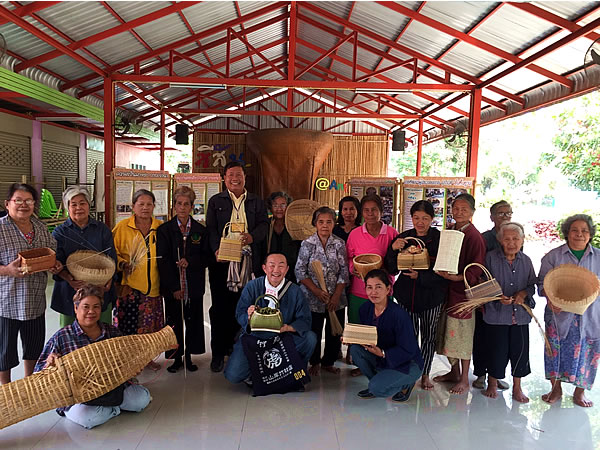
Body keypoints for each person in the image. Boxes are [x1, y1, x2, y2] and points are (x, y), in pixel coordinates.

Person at [35, 285, 151, 429]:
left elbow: (128, 358)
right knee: (89, 419)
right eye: (86, 307)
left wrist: (134, 365)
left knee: (141, 400)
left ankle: (108, 409)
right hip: (81, 398)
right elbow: (38, 371)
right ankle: (112, 409)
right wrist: (50, 364)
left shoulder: (111, 332)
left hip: (111, 388)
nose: (91, 311)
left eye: (96, 306)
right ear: (76, 308)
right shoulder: (62, 336)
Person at [206, 161, 269, 372]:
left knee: (245, 307)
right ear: (224, 178)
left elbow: (264, 226)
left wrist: (252, 237)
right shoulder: (216, 201)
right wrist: (216, 250)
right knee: (220, 308)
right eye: (231, 175)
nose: (235, 178)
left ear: (245, 178)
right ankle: (218, 353)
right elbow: (212, 229)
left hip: (249, 262)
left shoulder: (256, 202)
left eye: (239, 175)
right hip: (222, 263)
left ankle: (238, 349)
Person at [0, 183, 61, 385]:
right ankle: (5, 389)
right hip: (6, 302)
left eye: (28, 201)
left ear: (34, 204)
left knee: (34, 347)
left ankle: (28, 383)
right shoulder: (1, 228)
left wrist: (54, 265)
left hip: (35, 300)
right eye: (18, 200)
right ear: (7, 203)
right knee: (4, 350)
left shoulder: (41, 229)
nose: (23, 205)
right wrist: (7, 270)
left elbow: (51, 254)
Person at [224, 253, 316, 385]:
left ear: (287, 269)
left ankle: (294, 371)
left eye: (281, 266)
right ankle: (258, 375)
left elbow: (305, 319)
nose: (276, 270)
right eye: (272, 266)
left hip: (282, 338)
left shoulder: (295, 291)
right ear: (264, 268)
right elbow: (240, 313)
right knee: (234, 375)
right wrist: (249, 316)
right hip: (255, 338)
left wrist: (288, 328)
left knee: (310, 338)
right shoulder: (253, 286)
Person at [384, 200, 447, 390]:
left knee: (428, 337)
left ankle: (425, 373)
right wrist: (393, 249)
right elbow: (391, 268)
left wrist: (421, 276)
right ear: (411, 218)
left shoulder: (439, 239)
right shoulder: (404, 238)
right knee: (407, 337)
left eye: (425, 218)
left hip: (431, 297)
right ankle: (409, 373)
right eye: (416, 218)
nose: (420, 222)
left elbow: (444, 271)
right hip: (405, 297)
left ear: (432, 219)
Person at [539, 214, 600, 408]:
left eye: (584, 231)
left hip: (590, 316)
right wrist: (549, 298)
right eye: (575, 230)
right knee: (555, 352)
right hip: (559, 316)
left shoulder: (598, 257)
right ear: (567, 233)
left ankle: (579, 392)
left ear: (590, 234)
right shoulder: (553, 256)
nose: (579, 234)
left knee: (587, 352)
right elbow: (541, 284)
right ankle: (555, 389)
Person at [434, 193, 485, 394]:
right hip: (447, 292)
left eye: (464, 209)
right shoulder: (450, 231)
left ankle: (464, 378)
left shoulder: (475, 236)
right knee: (448, 335)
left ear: (472, 212)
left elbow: (477, 268)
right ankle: (453, 372)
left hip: (463, 296)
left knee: (463, 338)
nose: (459, 212)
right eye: (456, 208)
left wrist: (456, 279)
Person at [348, 269, 423, 402]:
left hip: (407, 363)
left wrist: (383, 353)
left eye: (378, 287)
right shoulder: (365, 309)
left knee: (378, 389)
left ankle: (406, 384)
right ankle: (379, 381)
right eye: (369, 287)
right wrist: (351, 338)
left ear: (388, 289)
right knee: (355, 349)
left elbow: (409, 350)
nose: (373, 292)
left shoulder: (399, 314)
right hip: (382, 357)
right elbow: (367, 335)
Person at [157, 186, 210, 373]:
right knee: (174, 322)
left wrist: (191, 261)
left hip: (193, 285)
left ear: (192, 207)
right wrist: (173, 287)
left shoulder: (200, 230)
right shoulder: (165, 230)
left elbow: (207, 257)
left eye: (186, 204)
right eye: (179, 203)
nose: (182, 207)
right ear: (174, 206)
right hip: (174, 286)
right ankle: (176, 358)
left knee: (193, 321)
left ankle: (190, 355)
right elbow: (162, 261)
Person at [482, 222, 536, 403]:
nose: (511, 243)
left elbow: (531, 285)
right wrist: (497, 297)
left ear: (522, 240)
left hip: (520, 317)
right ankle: (492, 383)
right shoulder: (490, 258)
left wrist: (523, 293)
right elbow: (482, 283)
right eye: (507, 239)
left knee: (519, 352)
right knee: (496, 351)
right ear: (500, 241)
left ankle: (517, 387)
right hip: (496, 315)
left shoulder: (526, 260)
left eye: (515, 239)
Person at [112, 189, 163, 371]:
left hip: (154, 287)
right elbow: (113, 253)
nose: (145, 208)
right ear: (133, 206)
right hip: (130, 287)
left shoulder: (160, 227)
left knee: (148, 328)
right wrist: (123, 264)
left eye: (149, 204)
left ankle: (147, 359)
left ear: (154, 206)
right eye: (141, 204)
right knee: (129, 327)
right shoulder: (123, 227)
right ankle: (128, 362)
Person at [52, 186, 117, 327]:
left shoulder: (102, 229)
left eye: (82, 203)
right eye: (73, 204)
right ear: (67, 207)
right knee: (70, 337)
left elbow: (112, 257)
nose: (78, 208)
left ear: (89, 205)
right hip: (70, 292)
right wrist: (68, 278)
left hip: (100, 290)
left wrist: (109, 280)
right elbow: (56, 262)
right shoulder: (60, 232)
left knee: (102, 336)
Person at [295, 207, 348, 376]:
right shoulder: (307, 244)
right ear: (315, 224)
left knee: (334, 332)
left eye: (329, 222)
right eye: (321, 222)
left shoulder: (339, 243)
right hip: (313, 298)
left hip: (335, 298)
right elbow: (300, 271)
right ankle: (315, 362)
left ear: (334, 223)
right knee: (314, 330)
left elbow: (344, 271)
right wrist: (317, 291)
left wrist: (337, 295)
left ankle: (328, 362)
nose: (325, 225)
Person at [473, 200, 513, 390]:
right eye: (501, 214)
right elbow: (478, 267)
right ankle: (480, 373)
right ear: (492, 217)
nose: (505, 217)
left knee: (501, 339)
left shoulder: (515, 234)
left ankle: (496, 374)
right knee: (482, 335)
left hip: (507, 296)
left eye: (508, 213)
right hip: (486, 295)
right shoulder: (485, 238)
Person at [346, 194, 398, 324]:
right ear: (361, 212)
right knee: (357, 331)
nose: (370, 214)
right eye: (366, 210)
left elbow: (397, 260)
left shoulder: (392, 233)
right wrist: (354, 269)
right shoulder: (355, 234)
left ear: (381, 211)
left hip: (384, 291)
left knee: (383, 332)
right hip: (359, 290)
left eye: (374, 210)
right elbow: (348, 257)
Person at [259, 191, 299, 283]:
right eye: (275, 205)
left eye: (283, 205)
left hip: (291, 272)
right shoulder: (265, 225)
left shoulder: (295, 226)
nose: (279, 209)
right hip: (270, 272)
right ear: (270, 207)